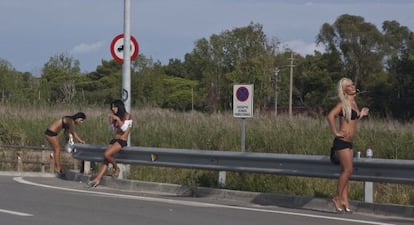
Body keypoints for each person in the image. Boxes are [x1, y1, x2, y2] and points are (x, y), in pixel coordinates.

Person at [327, 77, 369, 213]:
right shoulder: (342, 103)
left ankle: (345, 199)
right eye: (350, 85)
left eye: (353, 85)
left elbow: (352, 120)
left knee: (345, 171)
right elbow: (330, 116)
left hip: (350, 143)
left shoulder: (354, 103)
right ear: (344, 89)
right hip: (341, 141)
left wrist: (360, 114)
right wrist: (335, 132)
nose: (353, 86)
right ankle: (337, 198)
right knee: (348, 170)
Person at [88, 100, 132, 187]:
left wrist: (118, 119)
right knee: (106, 160)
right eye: (112, 107)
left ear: (119, 107)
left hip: (122, 140)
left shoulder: (127, 115)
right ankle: (97, 179)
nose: (113, 109)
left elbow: (124, 129)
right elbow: (111, 130)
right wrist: (110, 122)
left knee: (106, 154)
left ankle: (116, 168)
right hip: (114, 140)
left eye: (115, 107)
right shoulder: (116, 116)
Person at [45, 112, 86, 176]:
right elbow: (73, 133)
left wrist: (68, 140)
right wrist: (81, 141)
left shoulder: (69, 121)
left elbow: (66, 132)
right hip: (51, 133)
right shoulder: (70, 121)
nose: (81, 122)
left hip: (52, 133)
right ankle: (58, 169)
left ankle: (58, 168)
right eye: (81, 120)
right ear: (77, 118)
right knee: (57, 150)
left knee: (57, 150)